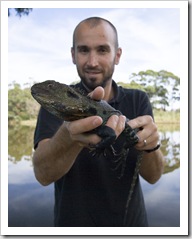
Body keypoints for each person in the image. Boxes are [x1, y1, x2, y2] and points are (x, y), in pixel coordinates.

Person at [33, 17, 164, 227]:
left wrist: (151, 145)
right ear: (73, 55)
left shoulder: (138, 100)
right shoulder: (57, 103)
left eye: (102, 50)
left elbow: (154, 176)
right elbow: (42, 175)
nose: (92, 62)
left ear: (117, 55)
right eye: (83, 50)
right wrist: (69, 135)